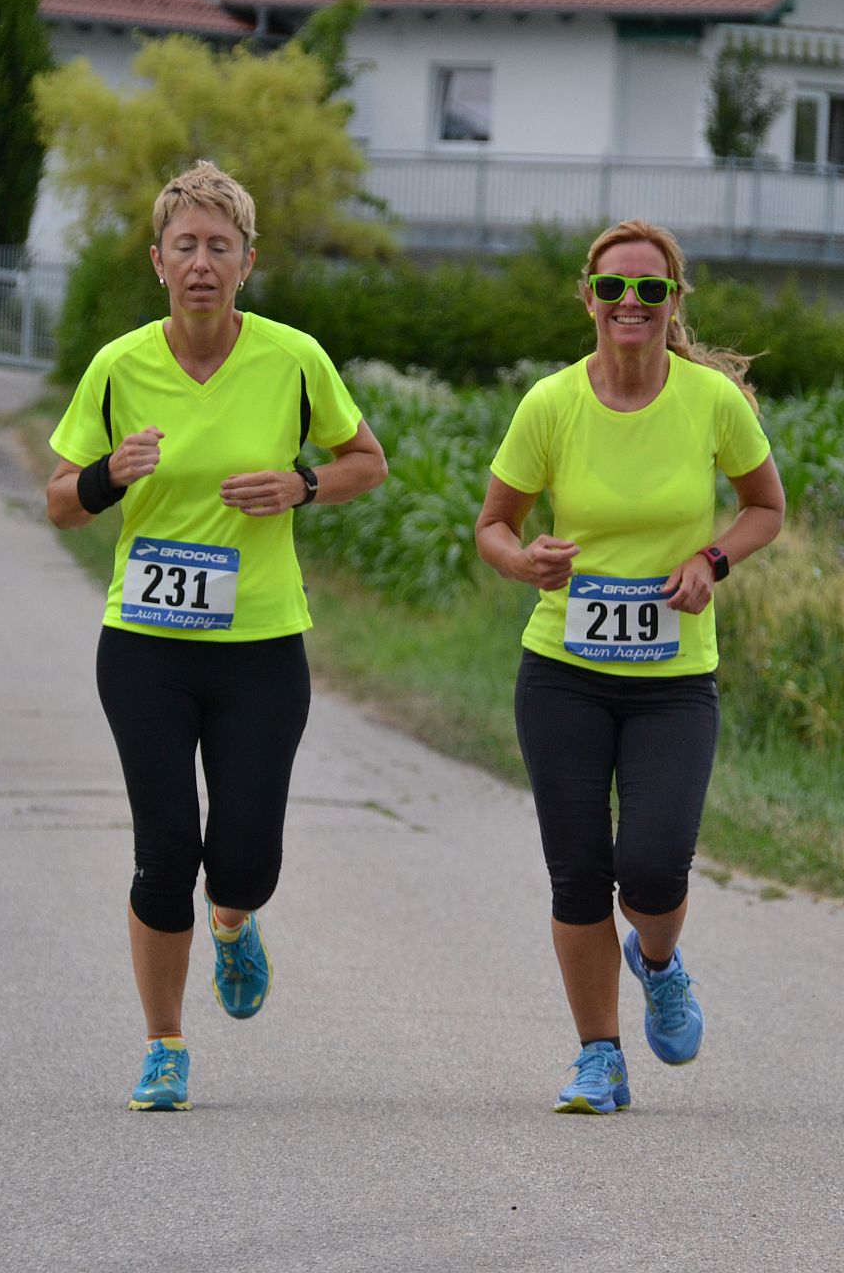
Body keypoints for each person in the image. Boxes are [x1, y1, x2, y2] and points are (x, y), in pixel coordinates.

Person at [45, 161, 388, 1113]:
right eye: (185, 246)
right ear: (158, 262)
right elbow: (60, 503)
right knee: (164, 856)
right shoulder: (119, 367)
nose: (202, 263)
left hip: (261, 650)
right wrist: (109, 476)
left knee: (244, 862)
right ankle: (164, 1045)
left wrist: (302, 484)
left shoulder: (293, 359)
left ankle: (233, 925)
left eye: (219, 247)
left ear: (246, 263)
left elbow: (367, 462)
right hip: (145, 647)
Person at [473, 219, 785, 1114]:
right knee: (578, 873)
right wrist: (523, 561)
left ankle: (659, 961)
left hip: (673, 682)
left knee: (652, 870)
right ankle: (599, 1057)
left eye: (650, 289)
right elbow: (493, 525)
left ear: (673, 301)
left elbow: (766, 508)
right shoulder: (550, 404)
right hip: (562, 671)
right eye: (613, 288)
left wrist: (712, 561)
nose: (630, 303)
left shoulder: (710, 402)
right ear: (589, 298)